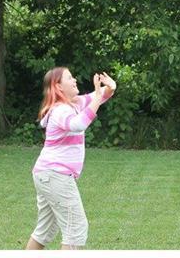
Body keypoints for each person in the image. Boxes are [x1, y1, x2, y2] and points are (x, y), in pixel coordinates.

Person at [26, 67, 116, 250]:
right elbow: (78, 124)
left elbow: (97, 97)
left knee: (45, 230)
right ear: (58, 87)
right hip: (55, 175)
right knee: (75, 228)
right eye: (69, 78)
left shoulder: (74, 104)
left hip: (48, 175)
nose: (75, 80)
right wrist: (98, 97)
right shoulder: (60, 110)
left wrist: (110, 88)